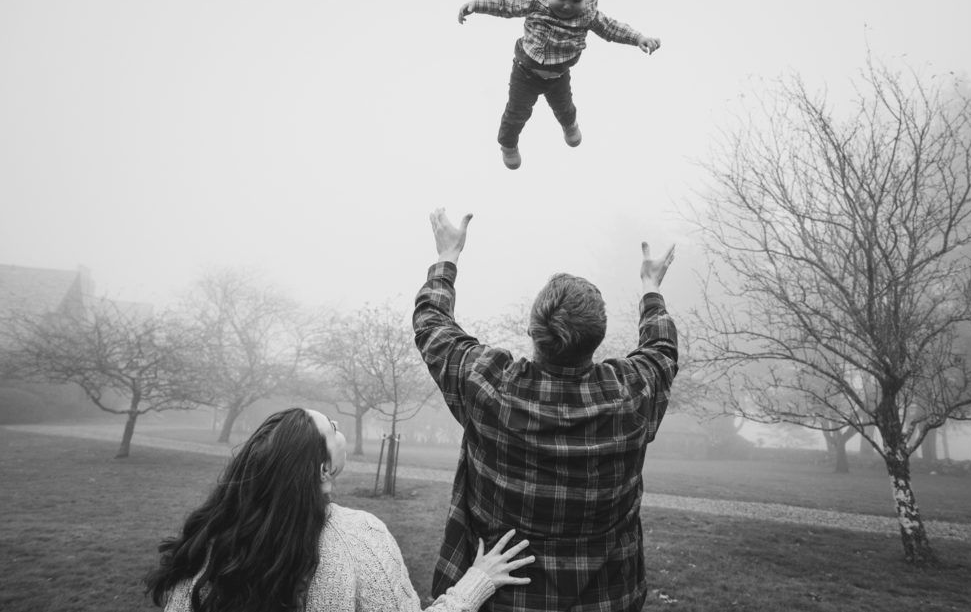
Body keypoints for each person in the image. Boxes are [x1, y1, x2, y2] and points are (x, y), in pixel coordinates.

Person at [413, 209, 678, 612]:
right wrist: (650, 287)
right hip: (607, 600)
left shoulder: (490, 385)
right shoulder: (632, 395)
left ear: (532, 333)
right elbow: (661, 349)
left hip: (501, 601)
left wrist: (447, 255)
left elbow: (432, 324)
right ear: (598, 337)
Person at [145, 407, 534, 612]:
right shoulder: (361, 538)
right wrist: (475, 583)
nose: (338, 424)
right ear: (323, 472)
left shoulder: (207, 548)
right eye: (331, 428)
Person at [457, 0, 661, 170]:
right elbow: (506, 5)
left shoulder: (588, 15)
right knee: (517, 112)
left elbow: (612, 28)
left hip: (558, 76)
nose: (567, 5)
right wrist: (477, 5)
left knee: (565, 107)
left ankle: (570, 126)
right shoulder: (535, 2)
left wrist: (639, 38)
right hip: (525, 73)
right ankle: (508, 144)